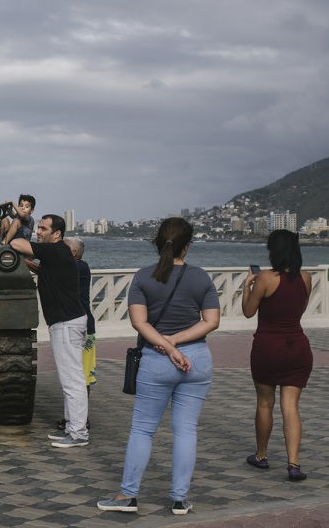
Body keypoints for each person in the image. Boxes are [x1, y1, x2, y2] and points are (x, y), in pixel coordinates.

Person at [97, 218, 220, 516]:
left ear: (157, 243)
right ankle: (179, 499)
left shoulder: (142, 277)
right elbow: (211, 322)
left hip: (157, 360)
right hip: (197, 360)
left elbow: (140, 323)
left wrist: (167, 346)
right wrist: (177, 342)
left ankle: (128, 496)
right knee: (186, 430)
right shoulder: (201, 277)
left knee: (142, 430)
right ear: (188, 245)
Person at [10, 215, 89, 448]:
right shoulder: (58, 255)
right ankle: (72, 427)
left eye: (44, 229)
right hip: (66, 322)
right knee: (70, 379)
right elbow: (45, 270)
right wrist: (30, 264)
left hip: (66, 323)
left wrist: (17, 228)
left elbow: (17, 244)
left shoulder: (55, 250)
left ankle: (78, 433)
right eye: (39, 228)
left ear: (57, 234)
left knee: (72, 380)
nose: (39, 232)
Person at [242, 230, 312, 482]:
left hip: (268, 348)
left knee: (264, 403)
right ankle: (294, 464)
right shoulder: (306, 277)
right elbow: (299, 309)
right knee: (291, 406)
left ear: (273, 251)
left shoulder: (264, 278)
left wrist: (246, 287)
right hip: (298, 347)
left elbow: (249, 312)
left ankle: (261, 456)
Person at [56, 237, 96, 431]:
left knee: (82, 376)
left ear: (73, 253)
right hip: (76, 323)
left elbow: (46, 270)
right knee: (72, 375)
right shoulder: (72, 266)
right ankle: (72, 416)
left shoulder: (79, 267)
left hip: (85, 328)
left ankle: (82, 419)